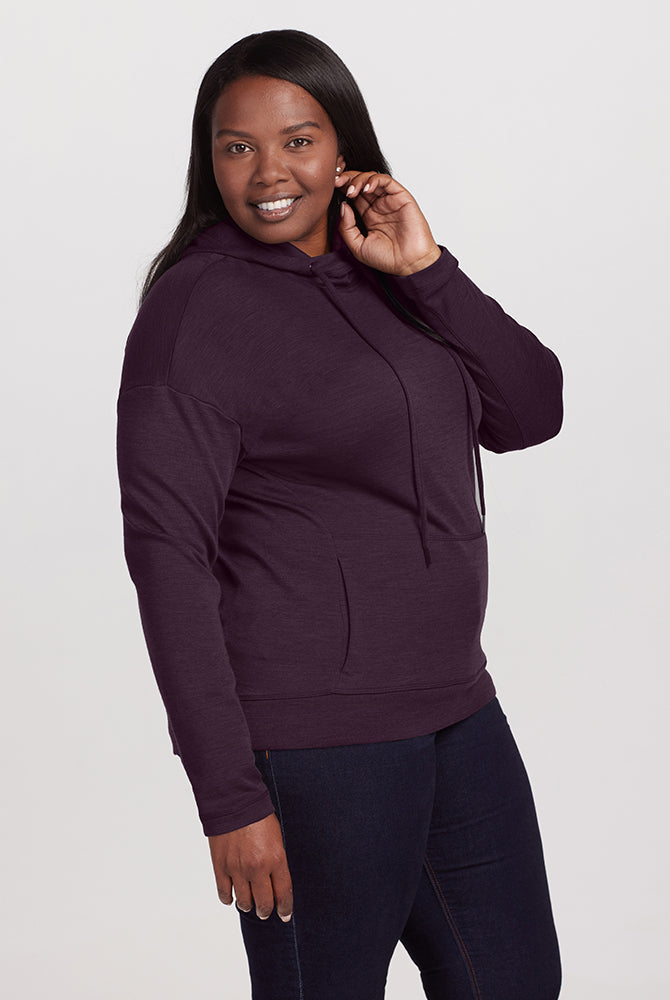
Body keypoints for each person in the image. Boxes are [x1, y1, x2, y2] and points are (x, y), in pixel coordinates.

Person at [116, 28, 564, 1000]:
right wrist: (229, 797)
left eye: (298, 140)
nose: (268, 172)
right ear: (208, 160)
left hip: (456, 710)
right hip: (315, 746)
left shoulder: (390, 273)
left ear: (344, 145)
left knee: (517, 983)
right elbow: (167, 559)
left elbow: (531, 412)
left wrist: (426, 267)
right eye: (237, 147)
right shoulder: (195, 312)